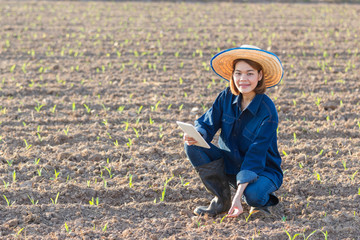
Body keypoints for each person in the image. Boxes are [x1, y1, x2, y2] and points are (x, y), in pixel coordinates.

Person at [183, 45, 283, 218]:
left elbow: (255, 157)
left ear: (260, 76)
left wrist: (240, 197)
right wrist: (196, 133)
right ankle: (221, 200)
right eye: (238, 73)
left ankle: (259, 203)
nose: (243, 78)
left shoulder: (268, 111)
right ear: (233, 75)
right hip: (230, 165)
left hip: (262, 171)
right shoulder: (226, 97)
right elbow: (207, 123)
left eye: (249, 73)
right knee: (193, 146)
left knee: (253, 196)